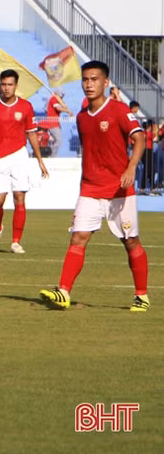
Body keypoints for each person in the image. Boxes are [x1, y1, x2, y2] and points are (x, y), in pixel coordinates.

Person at [40, 60, 149, 312]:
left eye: (94, 79)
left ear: (106, 82)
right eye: (85, 80)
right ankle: (63, 292)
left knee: (130, 241)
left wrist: (131, 167)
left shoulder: (119, 110)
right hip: (90, 189)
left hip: (119, 190)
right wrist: (81, 195)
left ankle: (141, 296)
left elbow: (140, 138)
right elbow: (89, 156)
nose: (89, 84)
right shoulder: (81, 117)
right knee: (78, 238)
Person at [0, 69, 49, 254]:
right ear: (0, 86)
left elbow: (31, 134)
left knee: (20, 197)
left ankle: (15, 242)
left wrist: (39, 160)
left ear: (16, 86)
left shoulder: (26, 106)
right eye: (4, 84)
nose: (7, 88)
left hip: (19, 156)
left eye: (10, 85)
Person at [45, 92, 71, 157]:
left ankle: (51, 155)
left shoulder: (55, 99)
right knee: (58, 141)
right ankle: (52, 155)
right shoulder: (54, 99)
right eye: (62, 95)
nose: (62, 97)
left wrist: (64, 106)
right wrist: (67, 110)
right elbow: (58, 108)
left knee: (53, 141)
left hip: (54, 124)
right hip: (53, 125)